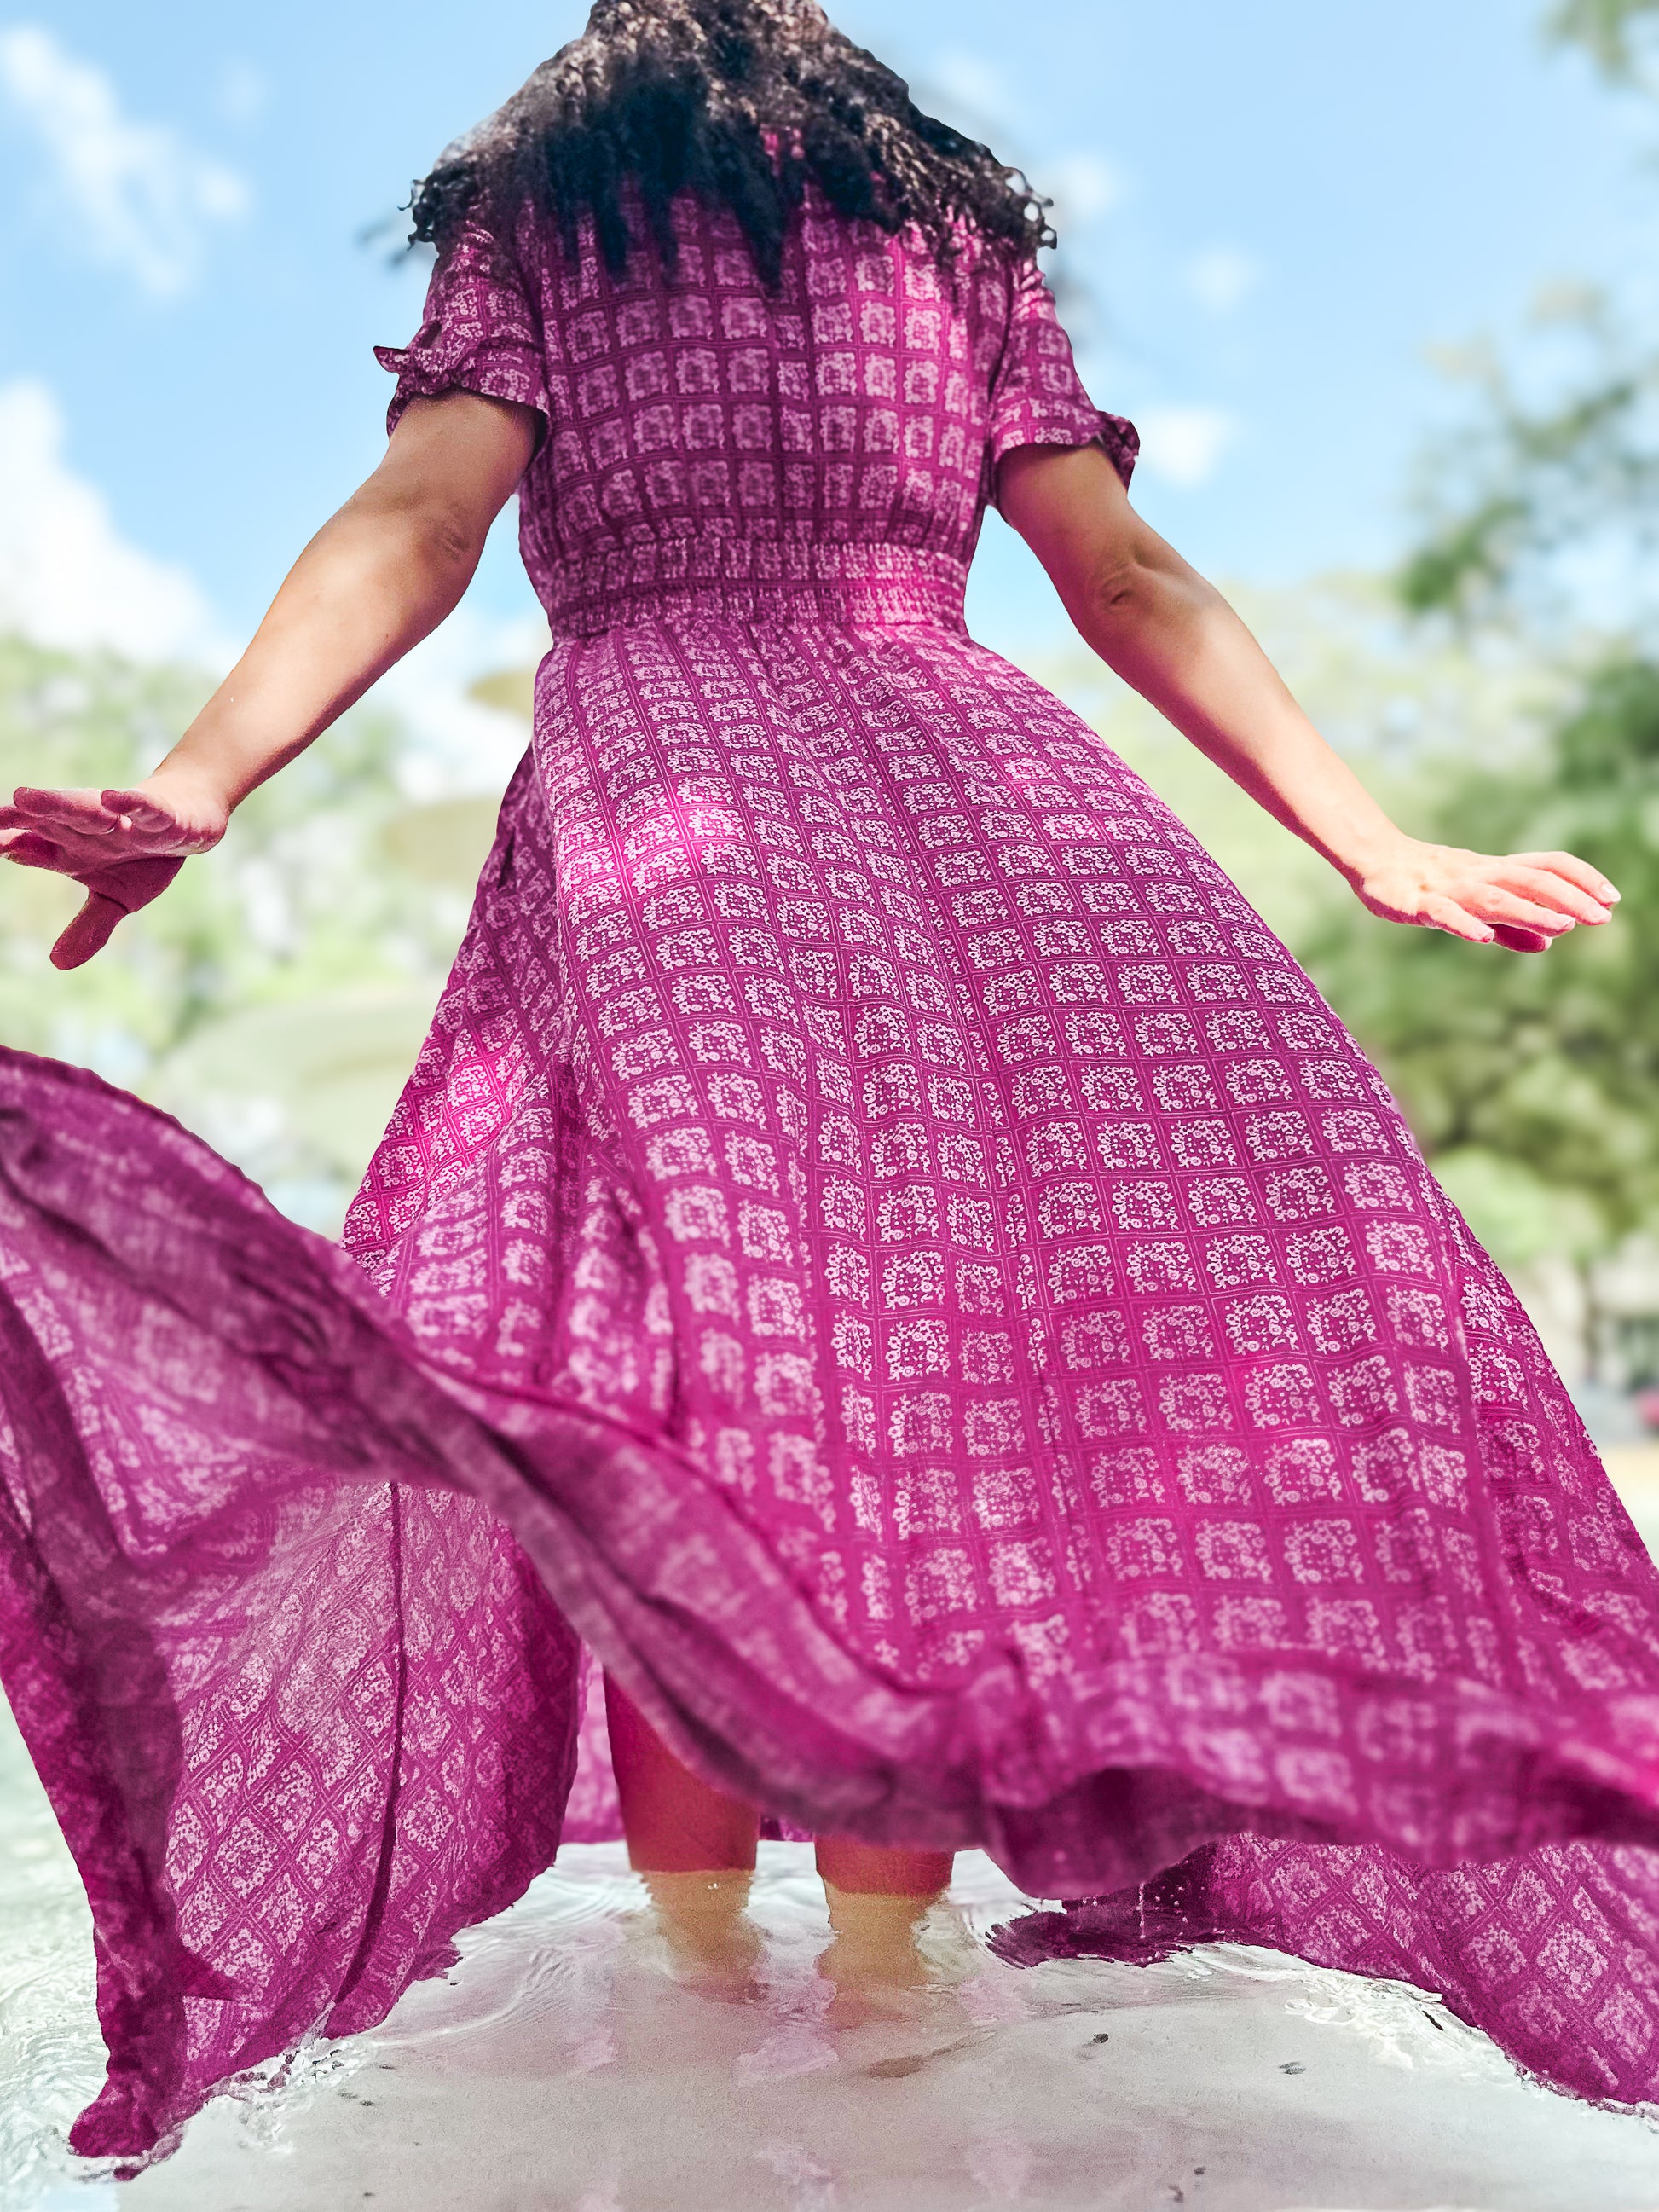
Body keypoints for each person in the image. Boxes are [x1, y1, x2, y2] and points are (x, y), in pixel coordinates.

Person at [1, 0, 1654, 2167]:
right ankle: (894, 2017)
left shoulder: (548, 216)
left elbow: (422, 513)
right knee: (931, 1386)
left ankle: (695, 2031)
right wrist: (1370, 840)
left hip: (681, 806)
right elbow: (1119, 574)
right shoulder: (955, 224)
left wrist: (204, 780)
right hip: (982, 808)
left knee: (699, 1403)